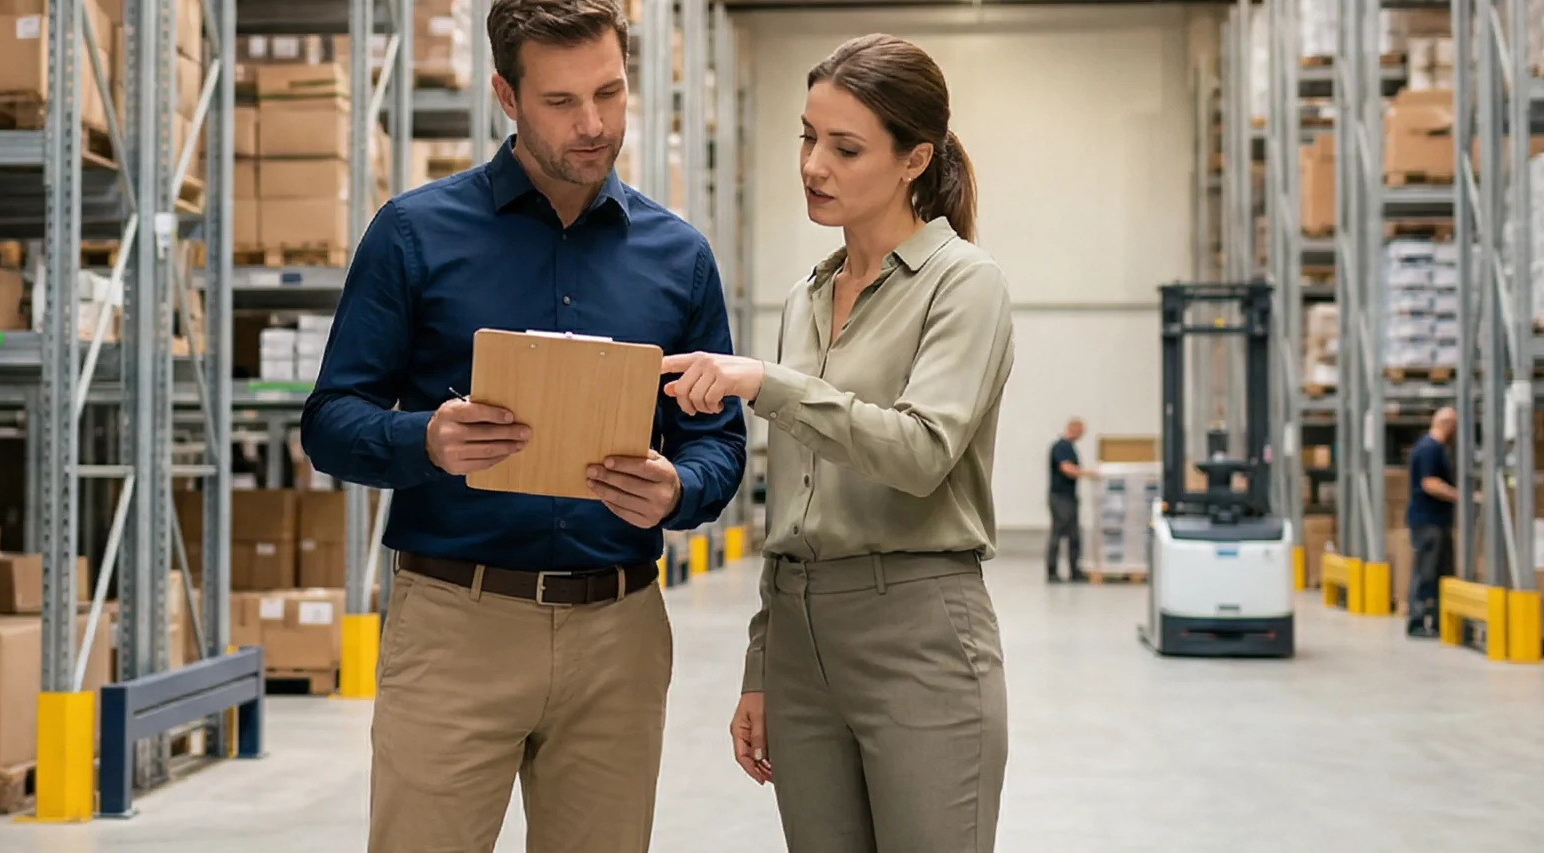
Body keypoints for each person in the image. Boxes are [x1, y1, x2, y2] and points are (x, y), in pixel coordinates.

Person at [299, 0, 747, 848]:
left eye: (610, 94)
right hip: (456, 624)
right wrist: (424, 439)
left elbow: (719, 439)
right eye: (561, 102)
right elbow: (330, 420)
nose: (594, 125)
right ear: (506, 96)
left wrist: (679, 490)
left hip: (619, 634)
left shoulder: (679, 256)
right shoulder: (413, 234)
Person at [657, 33, 1013, 853]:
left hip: (919, 629)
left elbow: (923, 452)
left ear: (914, 159)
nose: (814, 164)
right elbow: (795, 502)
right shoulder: (805, 298)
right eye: (808, 138)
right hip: (800, 637)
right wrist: (762, 663)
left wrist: (766, 385)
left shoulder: (965, 284)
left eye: (844, 147)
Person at [1406, 407, 1460, 638]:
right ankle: (1417, 621)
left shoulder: (1435, 448)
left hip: (1437, 520)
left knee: (1441, 572)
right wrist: (1460, 496)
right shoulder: (1429, 449)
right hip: (1427, 521)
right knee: (1426, 572)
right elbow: (1430, 483)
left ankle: (1438, 621)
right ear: (1448, 425)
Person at [1047, 418, 1089, 583]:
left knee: (1074, 535)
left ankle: (1074, 570)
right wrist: (1088, 473)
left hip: (1070, 497)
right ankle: (1052, 571)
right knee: (1058, 533)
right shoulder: (1061, 447)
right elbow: (1066, 469)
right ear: (1074, 429)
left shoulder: (1070, 447)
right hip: (1060, 497)